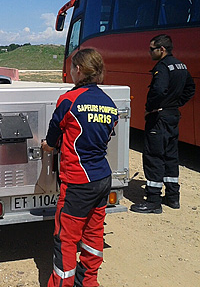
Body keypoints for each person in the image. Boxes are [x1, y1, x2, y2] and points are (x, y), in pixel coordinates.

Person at [42, 49, 118, 287]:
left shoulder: (69, 100)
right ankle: (88, 283)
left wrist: (49, 146)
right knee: (93, 235)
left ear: (78, 70)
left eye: (72, 68)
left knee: (65, 238)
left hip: (78, 181)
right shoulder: (110, 104)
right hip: (103, 177)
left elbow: (54, 134)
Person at [130, 34, 195, 214]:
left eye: (152, 49)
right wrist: (175, 103)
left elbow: (158, 90)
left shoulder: (162, 67)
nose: (149, 52)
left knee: (154, 156)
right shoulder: (181, 65)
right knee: (171, 156)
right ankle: (173, 198)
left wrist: (152, 108)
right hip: (172, 115)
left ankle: (153, 201)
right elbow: (191, 88)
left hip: (158, 117)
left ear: (162, 49)